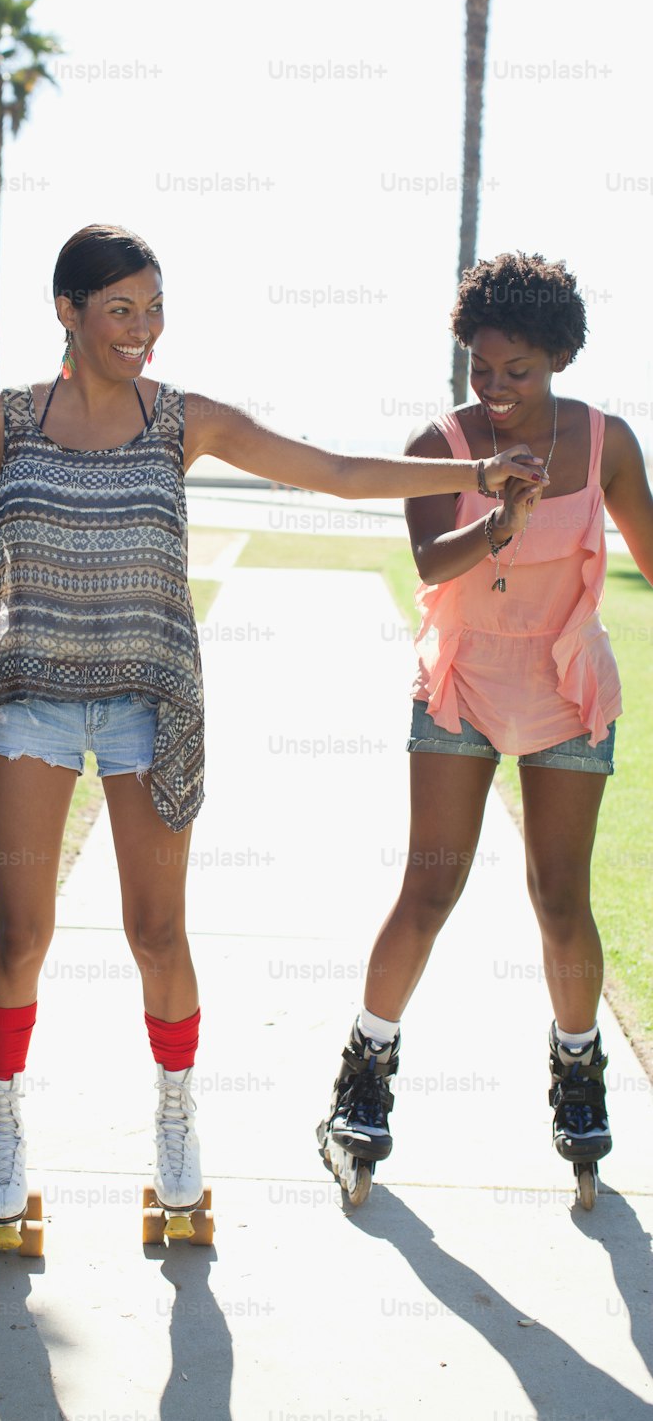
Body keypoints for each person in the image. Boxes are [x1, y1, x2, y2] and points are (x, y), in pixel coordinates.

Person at [0, 225, 542, 1245]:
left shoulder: (178, 422)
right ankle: (5, 1132)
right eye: (120, 310)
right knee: (22, 935)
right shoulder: (5, 425)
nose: (141, 330)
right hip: (32, 699)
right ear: (68, 310)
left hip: (148, 702)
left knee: (157, 934)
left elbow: (325, 471)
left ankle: (176, 1122)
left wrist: (477, 473)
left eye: (153, 309)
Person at [318, 252, 653, 1207]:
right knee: (431, 888)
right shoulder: (443, 441)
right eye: (483, 369)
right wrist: (505, 513)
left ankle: (578, 1073)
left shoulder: (606, 444)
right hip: (463, 677)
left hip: (565, 682)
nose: (498, 391)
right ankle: (366, 1069)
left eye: (519, 372)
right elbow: (431, 560)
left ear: (558, 357)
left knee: (560, 896)